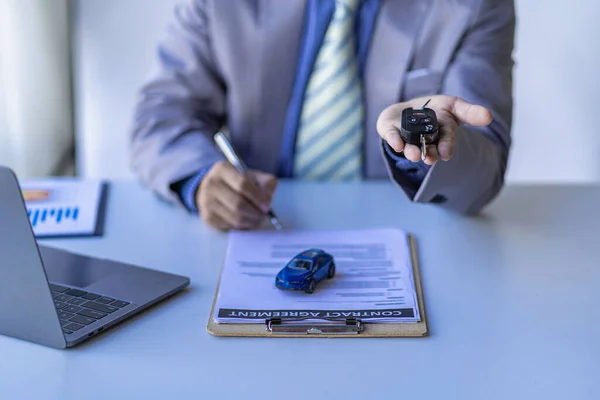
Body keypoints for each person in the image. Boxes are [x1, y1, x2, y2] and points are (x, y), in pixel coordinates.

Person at [129, 0, 515, 231]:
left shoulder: (475, 5)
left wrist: (433, 141)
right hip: (262, 231)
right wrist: (199, 181)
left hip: (411, 239)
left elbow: (484, 172)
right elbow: (160, 117)